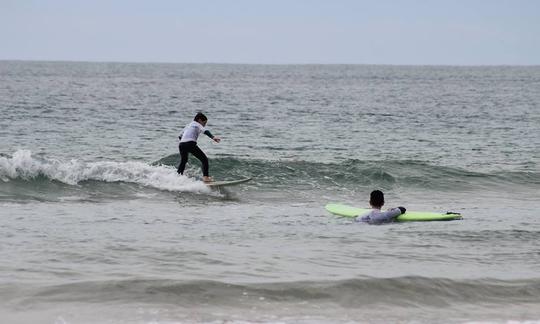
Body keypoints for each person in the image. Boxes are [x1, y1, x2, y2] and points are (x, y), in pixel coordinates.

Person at [177, 112, 221, 182]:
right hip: (190, 143)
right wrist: (213, 137)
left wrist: (184, 145)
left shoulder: (188, 125)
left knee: (183, 161)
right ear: (200, 120)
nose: (204, 125)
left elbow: (180, 136)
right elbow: (205, 131)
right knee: (204, 160)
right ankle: (206, 178)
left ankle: (178, 177)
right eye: (204, 123)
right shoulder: (197, 124)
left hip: (181, 144)